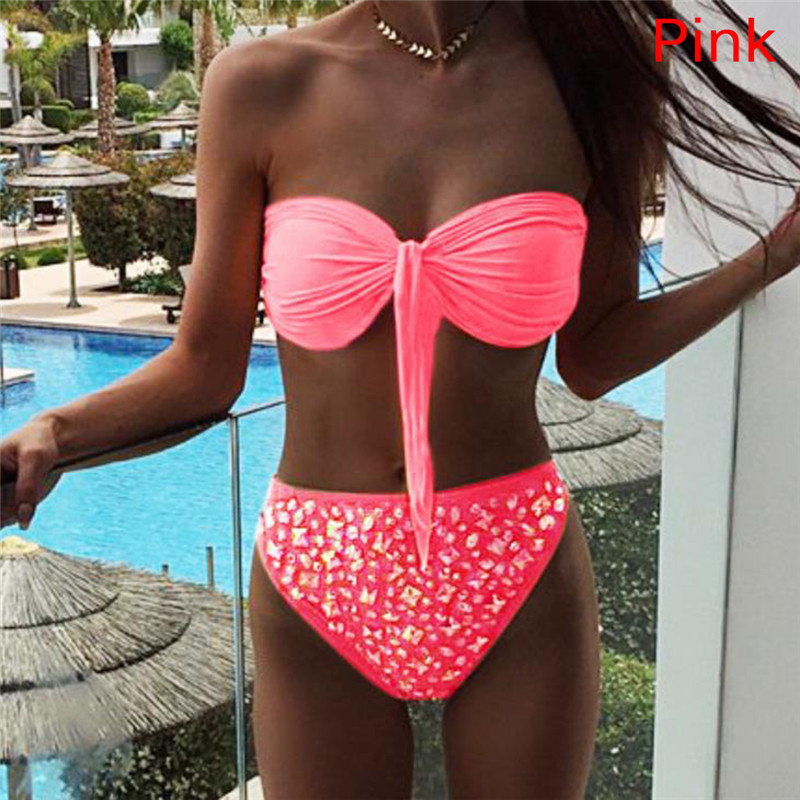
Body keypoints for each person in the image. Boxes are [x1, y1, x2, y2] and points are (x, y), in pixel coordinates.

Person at [2, 1, 799, 797]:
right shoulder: (259, 84)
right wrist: (55, 433)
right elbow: (205, 370)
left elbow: (595, 354)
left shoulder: (593, 76)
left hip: (515, 559)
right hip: (320, 570)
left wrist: (769, 257)